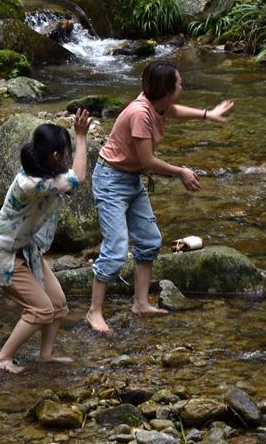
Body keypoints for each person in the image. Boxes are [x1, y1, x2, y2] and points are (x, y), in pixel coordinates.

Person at [87, 61, 234, 333]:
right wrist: (181, 172)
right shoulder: (140, 113)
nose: (183, 86)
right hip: (111, 181)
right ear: (166, 91)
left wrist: (208, 114)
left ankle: (140, 304)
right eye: (179, 83)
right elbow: (148, 159)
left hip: (130, 178)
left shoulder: (158, 104)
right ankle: (94, 312)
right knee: (117, 249)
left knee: (150, 240)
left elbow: (173, 111)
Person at [0, 109, 91, 373]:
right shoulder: (33, 183)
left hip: (25, 249)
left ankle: (46, 356)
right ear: (54, 157)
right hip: (3, 253)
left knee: (58, 305)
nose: (68, 156)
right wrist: (82, 136)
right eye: (66, 151)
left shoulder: (38, 164)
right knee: (40, 310)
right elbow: (78, 179)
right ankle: (2, 358)